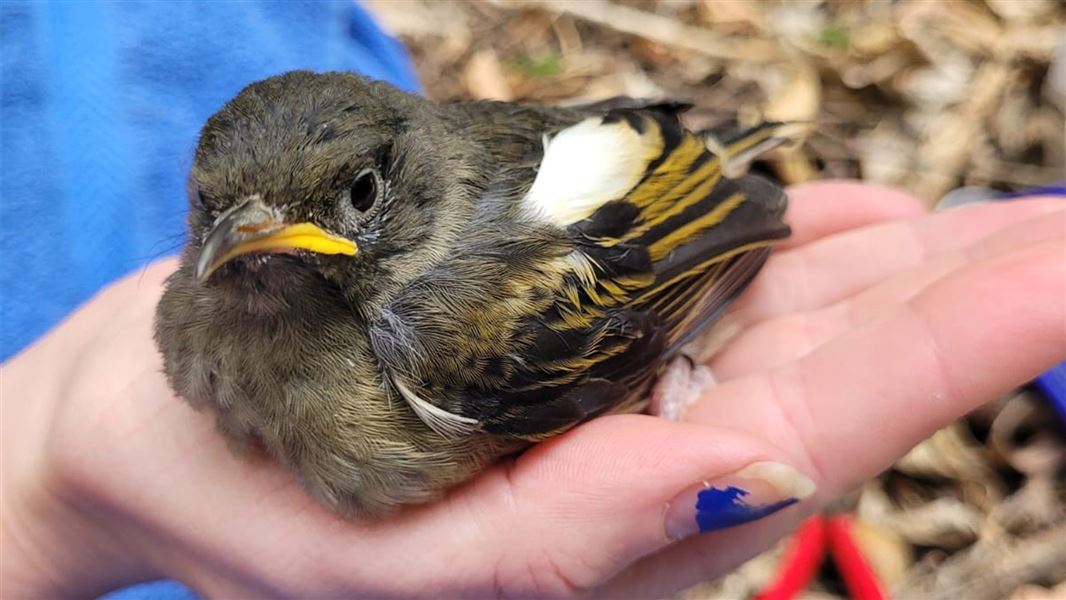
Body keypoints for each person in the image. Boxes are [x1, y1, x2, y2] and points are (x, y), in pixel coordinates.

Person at [3, 181, 1063, 598]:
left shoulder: (445, 339)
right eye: (218, 218)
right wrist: (45, 476)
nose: (243, 241)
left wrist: (678, 337)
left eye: (361, 198)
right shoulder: (201, 313)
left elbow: (680, 241)